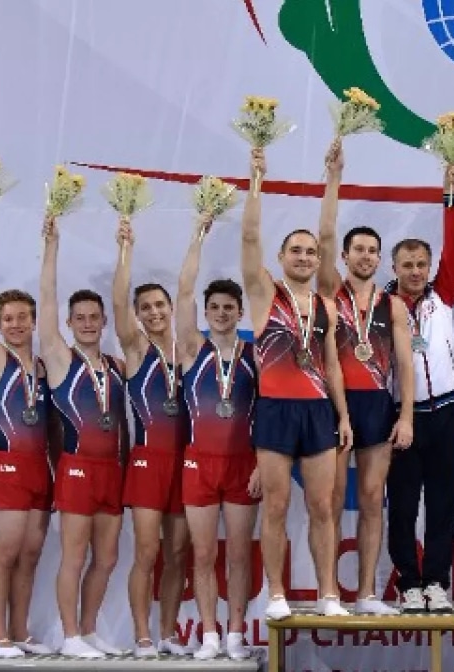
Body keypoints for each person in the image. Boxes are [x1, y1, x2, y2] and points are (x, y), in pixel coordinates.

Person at [241, 149, 353, 620]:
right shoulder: (266, 293)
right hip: (275, 410)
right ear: (282, 257)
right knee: (276, 506)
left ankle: (329, 594)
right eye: (296, 251)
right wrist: (256, 180)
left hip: (317, 412)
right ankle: (277, 594)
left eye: (311, 252)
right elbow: (248, 236)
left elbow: (332, 366)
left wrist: (343, 415)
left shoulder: (327, 306)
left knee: (323, 506)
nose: (305, 257)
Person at [315, 141, 414, 615]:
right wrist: (333, 179)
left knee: (373, 498)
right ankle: (330, 592)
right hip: (335, 403)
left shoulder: (392, 305)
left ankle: (367, 593)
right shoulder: (331, 291)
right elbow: (326, 233)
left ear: (381, 260)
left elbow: (405, 366)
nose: (366, 256)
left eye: (374, 251)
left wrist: (407, 416)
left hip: (376, 404)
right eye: (359, 249)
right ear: (348, 255)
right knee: (332, 499)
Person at [38, 218, 127, 658]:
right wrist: (51, 248)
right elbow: (47, 302)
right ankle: (69, 635)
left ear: (104, 321)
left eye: (95, 317)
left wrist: (125, 249)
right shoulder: (59, 358)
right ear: (69, 323)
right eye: (80, 318)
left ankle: (89, 631)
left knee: (107, 558)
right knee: (73, 556)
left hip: (113, 470)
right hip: (76, 470)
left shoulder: (116, 365)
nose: (88, 323)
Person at [0, 218, 53, 658]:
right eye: (8, 319)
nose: (16, 324)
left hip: (41, 468)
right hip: (4, 467)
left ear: (34, 321)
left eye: (23, 317)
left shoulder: (42, 367)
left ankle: (20, 631)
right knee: (6, 552)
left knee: (31, 554)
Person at [176, 216, 262, 659]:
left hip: (244, 464)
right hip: (199, 463)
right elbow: (184, 293)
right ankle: (209, 634)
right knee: (205, 553)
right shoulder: (192, 349)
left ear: (240, 312)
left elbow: (269, 412)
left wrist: (264, 465)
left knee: (240, 556)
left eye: (230, 307)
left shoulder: (256, 355)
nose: (223, 313)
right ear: (206, 314)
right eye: (216, 308)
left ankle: (236, 634)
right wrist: (197, 237)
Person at [384, 163, 454, 613]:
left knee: (442, 504)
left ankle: (436, 579)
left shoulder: (445, 294)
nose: (415, 271)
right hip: (401, 417)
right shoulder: (381, 305)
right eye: (407, 265)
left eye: (421, 264)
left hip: (446, 413)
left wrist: (450, 198)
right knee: (401, 505)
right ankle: (408, 582)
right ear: (393, 267)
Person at [113, 218, 191, 657]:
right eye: (147, 308)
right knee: (147, 551)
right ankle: (142, 636)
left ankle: (169, 633)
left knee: (177, 553)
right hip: (147, 461)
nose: (155, 312)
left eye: (160, 305)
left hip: (186, 461)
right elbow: (117, 302)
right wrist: (125, 250)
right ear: (139, 315)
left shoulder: (190, 350)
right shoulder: (136, 351)